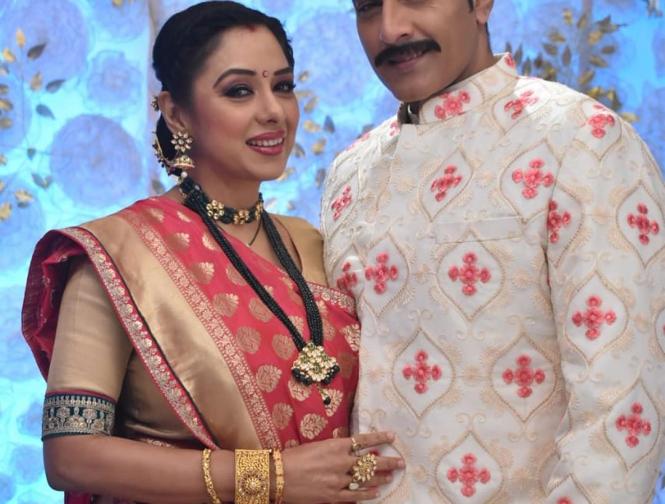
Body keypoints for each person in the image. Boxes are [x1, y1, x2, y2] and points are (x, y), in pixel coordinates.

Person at [21, 2, 404, 503]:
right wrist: (270, 478)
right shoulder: (119, 255)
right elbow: (71, 455)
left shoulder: (314, 243)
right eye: (239, 90)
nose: (272, 110)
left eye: (283, 86)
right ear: (176, 112)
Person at [321, 0, 665, 502]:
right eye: (369, 7)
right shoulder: (348, 173)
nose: (390, 29)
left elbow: (621, 407)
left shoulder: (580, 137)